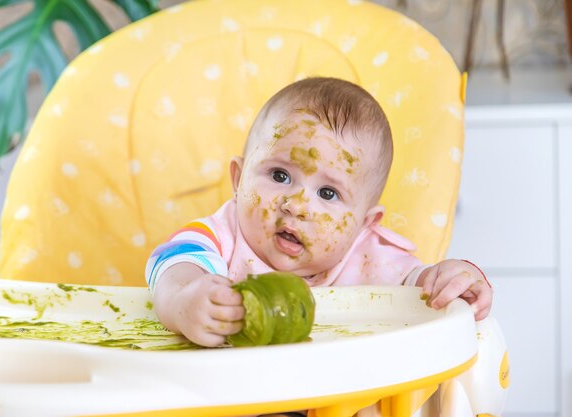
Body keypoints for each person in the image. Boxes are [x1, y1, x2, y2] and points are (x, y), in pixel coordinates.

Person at [145, 77, 492, 350]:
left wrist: (450, 280)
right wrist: (184, 300)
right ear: (238, 179)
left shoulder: (370, 258)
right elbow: (174, 265)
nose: (296, 205)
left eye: (328, 193)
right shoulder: (221, 235)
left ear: (363, 224)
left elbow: (421, 295)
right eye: (280, 176)